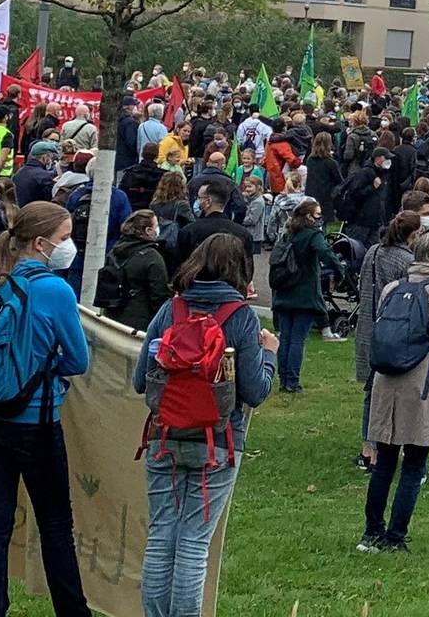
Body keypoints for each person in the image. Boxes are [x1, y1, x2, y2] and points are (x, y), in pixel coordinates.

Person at [0, 200, 93, 617]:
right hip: (34, 420)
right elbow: (78, 360)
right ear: (41, 243)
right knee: (56, 526)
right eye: (65, 238)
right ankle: (73, 611)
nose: (69, 246)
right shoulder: (54, 290)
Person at [133, 234, 273, 617]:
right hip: (220, 442)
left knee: (162, 535)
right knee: (194, 543)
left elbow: (141, 381)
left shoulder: (171, 310)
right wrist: (270, 355)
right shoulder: (241, 317)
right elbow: (255, 391)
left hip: (164, 436)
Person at [360, 230, 429, 553]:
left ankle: (371, 532)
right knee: (414, 465)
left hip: (386, 380)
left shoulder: (393, 288)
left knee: (385, 462)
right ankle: (395, 536)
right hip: (422, 382)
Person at [353, 211, 421, 464]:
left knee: (371, 392)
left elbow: (362, 287)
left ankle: (367, 447)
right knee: (390, 392)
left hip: (368, 327)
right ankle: (387, 445)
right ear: (413, 235)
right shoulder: (407, 260)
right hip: (392, 331)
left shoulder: (372, 252)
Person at [268, 199, 328, 392]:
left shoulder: (287, 234)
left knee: (285, 337)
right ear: (309, 216)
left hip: (284, 291)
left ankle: (283, 379)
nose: (320, 218)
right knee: (297, 340)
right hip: (304, 295)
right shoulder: (313, 235)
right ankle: (292, 382)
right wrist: (339, 270)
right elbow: (324, 252)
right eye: (317, 214)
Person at [102, 209, 174, 331]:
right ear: (148, 230)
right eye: (156, 226)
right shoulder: (152, 257)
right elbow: (159, 295)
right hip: (140, 322)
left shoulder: (114, 251)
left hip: (112, 316)